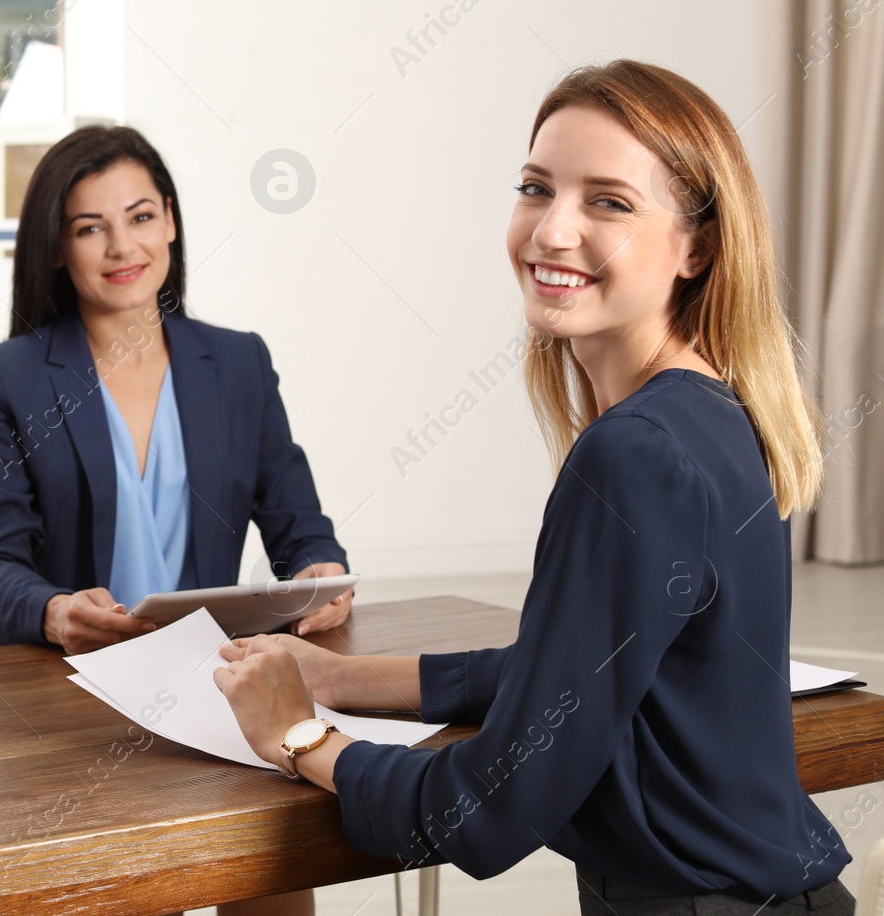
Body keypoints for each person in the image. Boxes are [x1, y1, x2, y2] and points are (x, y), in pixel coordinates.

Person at [216, 60, 856, 914]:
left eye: (609, 201)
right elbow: (568, 669)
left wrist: (296, 733)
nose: (553, 231)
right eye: (536, 187)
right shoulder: (717, 414)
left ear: (696, 245)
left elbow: (486, 808)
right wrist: (335, 676)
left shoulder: (632, 454)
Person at [0, 125, 350, 916]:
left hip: (203, 673)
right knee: (141, 878)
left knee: (278, 846)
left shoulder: (236, 362)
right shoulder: (7, 376)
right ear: (58, 248)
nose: (120, 246)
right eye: (88, 227)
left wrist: (317, 573)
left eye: (139, 216)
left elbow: (298, 520)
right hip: (66, 693)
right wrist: (54, 609)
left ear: (169, 220)